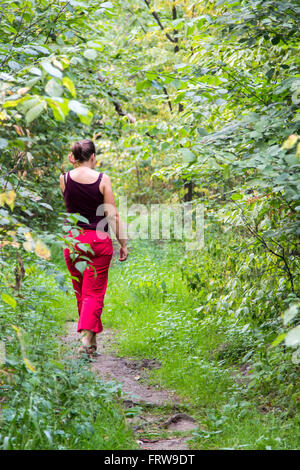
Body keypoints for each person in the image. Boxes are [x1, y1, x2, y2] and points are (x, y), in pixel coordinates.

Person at [60, 139, 128, 355]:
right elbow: (112, 215)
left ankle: (92, 340)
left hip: (73, 241)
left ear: (74, 157)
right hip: (98, 242)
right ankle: (85, 341)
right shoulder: (102, 179)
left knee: (82, 291)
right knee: (94, 293)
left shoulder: (64, 179)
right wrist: (123, 243)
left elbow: (73, 199)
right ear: (93, 157)